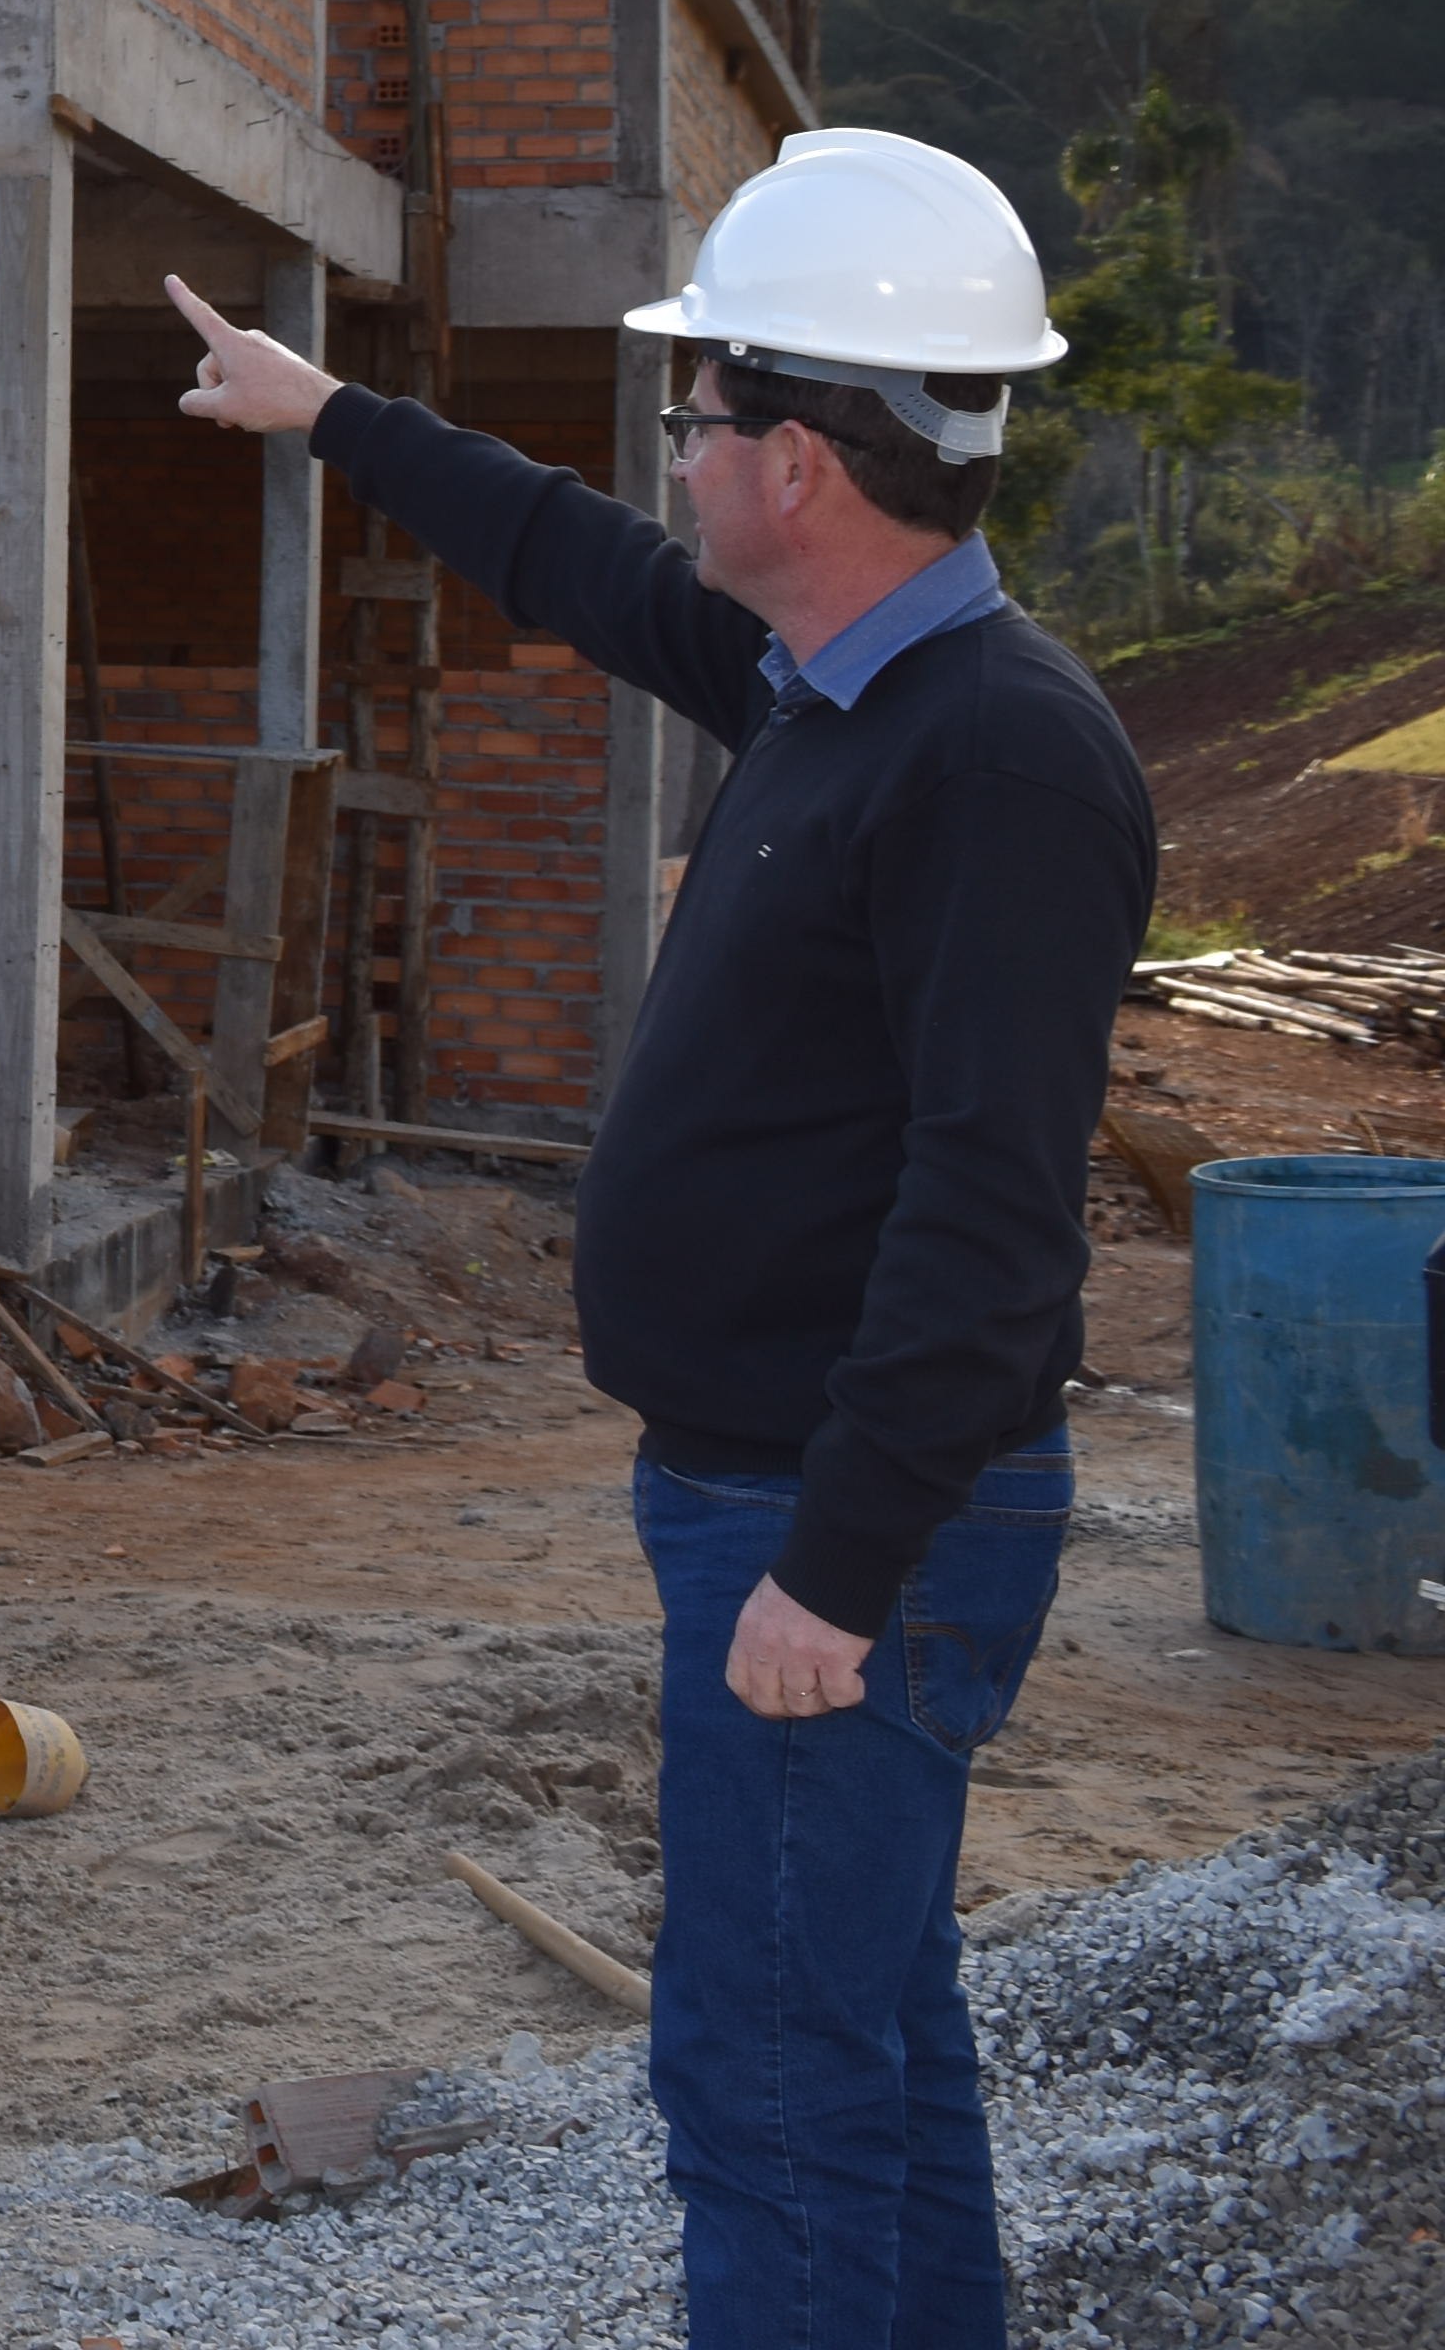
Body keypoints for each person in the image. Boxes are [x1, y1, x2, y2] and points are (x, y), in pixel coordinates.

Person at [165, 125, 1144, 2344]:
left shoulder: (990, 758)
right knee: (872, 2038)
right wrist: (332, 415)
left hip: (837, 1517)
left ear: (801, 458)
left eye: (701, 416)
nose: (678, 452)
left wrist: (841, 1561)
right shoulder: (831, 678)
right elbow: (586, 564)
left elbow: (994, 1221)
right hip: (780, 1489)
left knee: (770, 2073)